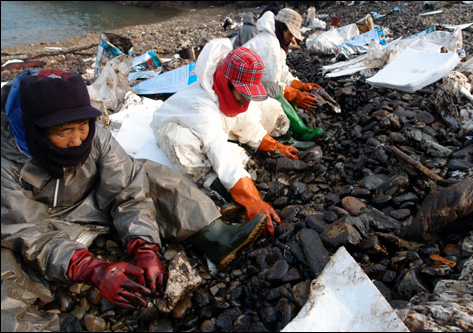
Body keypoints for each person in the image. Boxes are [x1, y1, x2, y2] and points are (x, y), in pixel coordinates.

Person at [1, 69, 266, 329]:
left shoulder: (96, 137)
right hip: (45, 226)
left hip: (95, 203)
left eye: (82, 127)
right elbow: (28, 231)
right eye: (63, 132)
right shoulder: (5, 162)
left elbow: (128, 188)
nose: (76, 140)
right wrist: (91, 269)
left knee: (145, 171)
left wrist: (145, 248)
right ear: (35, 130)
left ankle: (215, 235)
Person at [151, 38, 300, 238]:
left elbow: (248, 124)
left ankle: (244, 175)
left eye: (249, 95)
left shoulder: (235, 96)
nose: (245, 101)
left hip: (216, 127)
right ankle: (218, 187)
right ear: (224, 82)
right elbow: (217, 148)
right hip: (181, 128)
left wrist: (276, 146)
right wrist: (252, 200)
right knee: (182, 144)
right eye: (242, 95)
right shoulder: (202, 107)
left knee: (268, 107)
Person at [243, 8, 324, 142]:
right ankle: (300, 131)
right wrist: (295, 95)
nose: (291, 39)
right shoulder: (269, 45)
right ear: (282, 28)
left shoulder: (275, 42)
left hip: (252, 85)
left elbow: (282, 72)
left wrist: (300, 86)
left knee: (283, 95)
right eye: (290, 34)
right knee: (278, 96)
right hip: (243, 88)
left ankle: (291, 128)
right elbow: (272, 85)